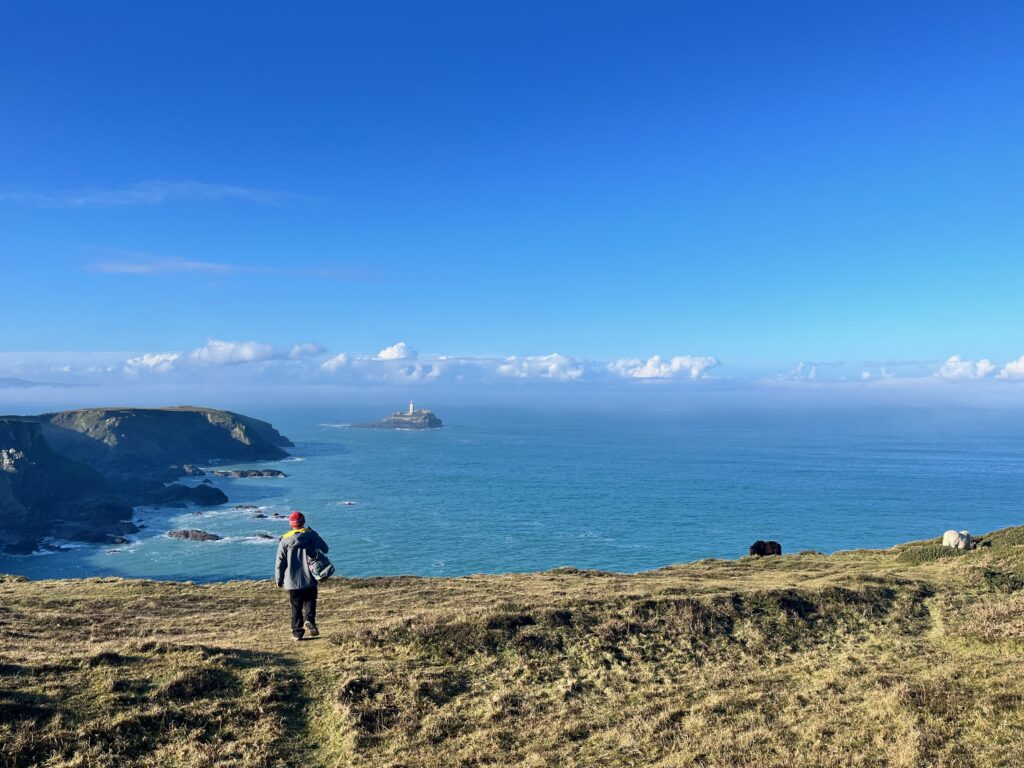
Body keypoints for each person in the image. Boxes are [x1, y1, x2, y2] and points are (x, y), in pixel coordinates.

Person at [275, 510, 329, 641]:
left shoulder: (284, 540)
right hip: (310, 577)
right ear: (303, 522)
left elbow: (280, 562)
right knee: (311, 601)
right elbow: (325, 549)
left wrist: (279, 579)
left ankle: (297, 633)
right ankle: (309, 619)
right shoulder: (311, 535)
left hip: (291, 580)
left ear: (291, 524)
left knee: (296, 606)